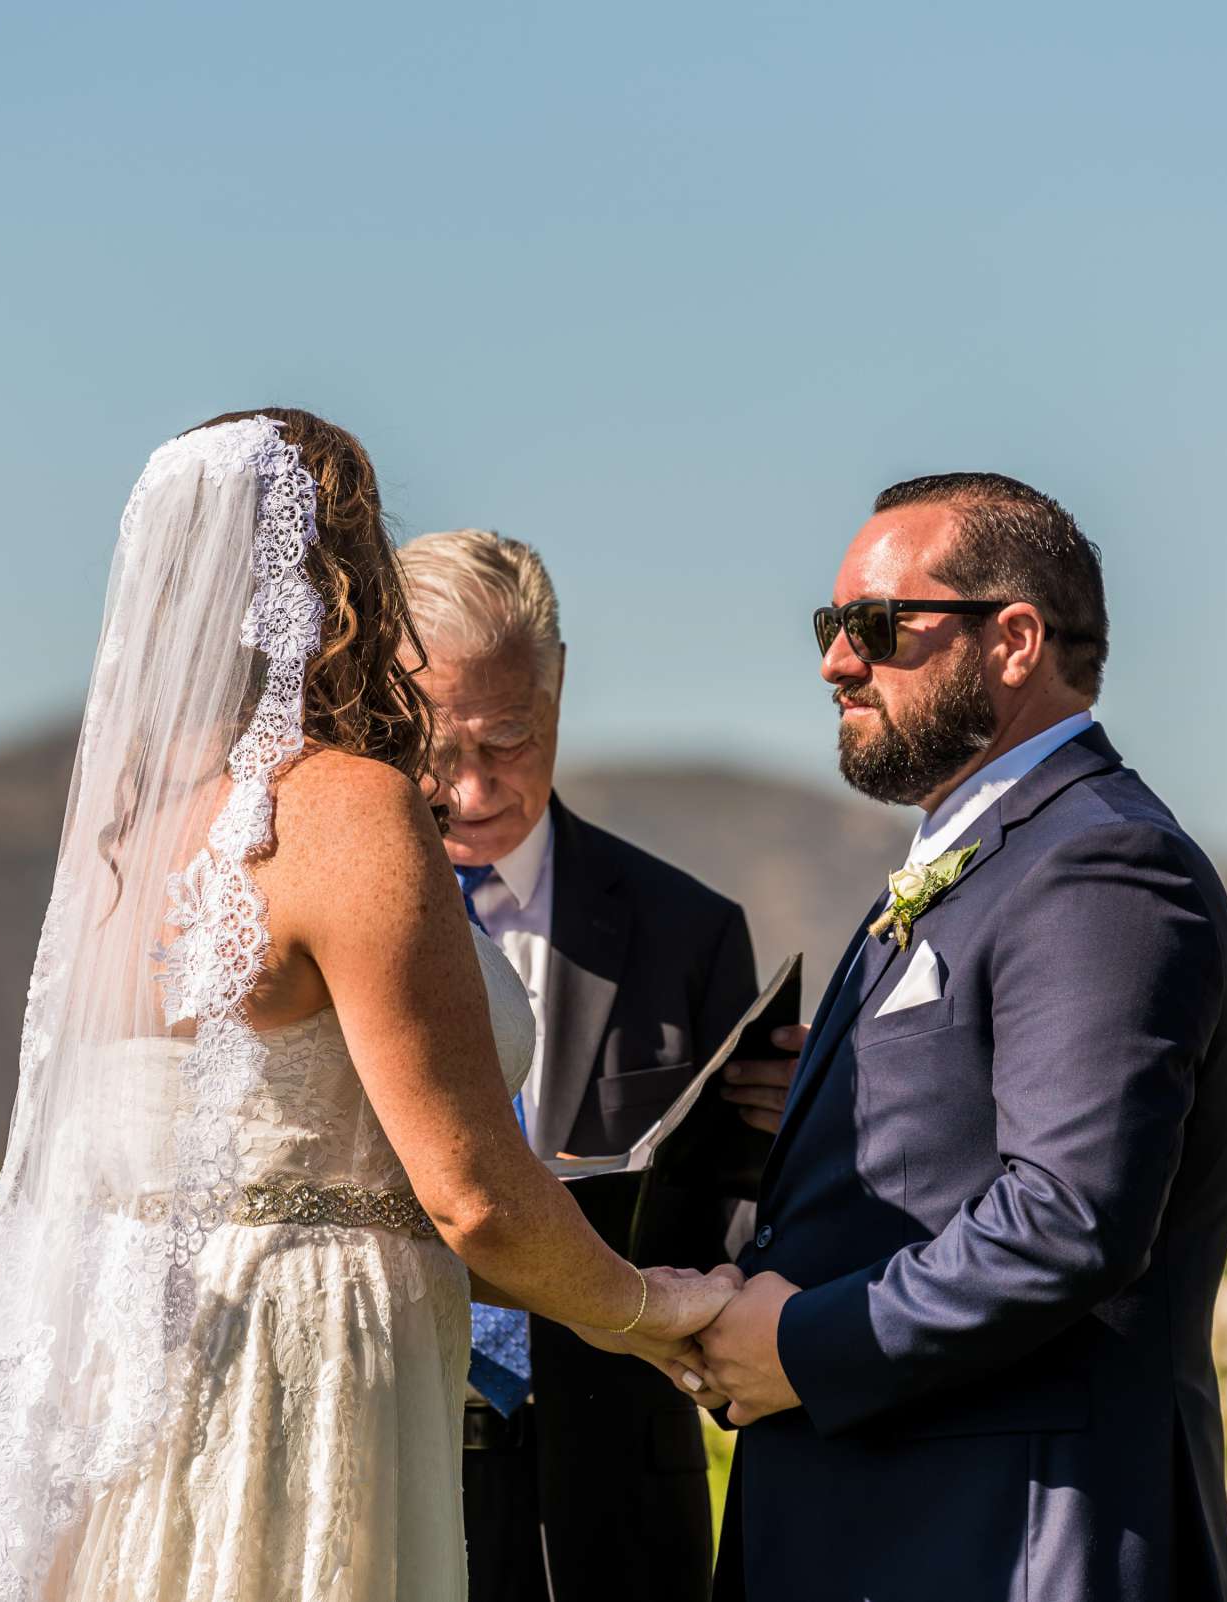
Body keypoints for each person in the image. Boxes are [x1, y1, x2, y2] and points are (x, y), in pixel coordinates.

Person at [0, 411, 740, 1602]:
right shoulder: (345, 808)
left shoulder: (130, 842)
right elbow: (467, 1197)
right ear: (341, 585)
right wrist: (653, 1311)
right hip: (297, 1377)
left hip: (135, 1360)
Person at [683, 473, 1227, 1602]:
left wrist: (800, 1346)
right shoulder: (984, 855)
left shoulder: (1100, 863)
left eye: (876, 626)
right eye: (829, 627)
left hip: (1012, 1539)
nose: (835, 663)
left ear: (1014, 640)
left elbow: (1068, 1219)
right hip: (886, 1528)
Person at [394, 530, 760, 1602]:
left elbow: (735, 1229)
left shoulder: (688, 932)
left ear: (557, 687)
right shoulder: (333, 923)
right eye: (435, 743)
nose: (468, 790)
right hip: (387, 1447)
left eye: (505, 738)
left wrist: (777, 1141)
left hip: (614, 1495)